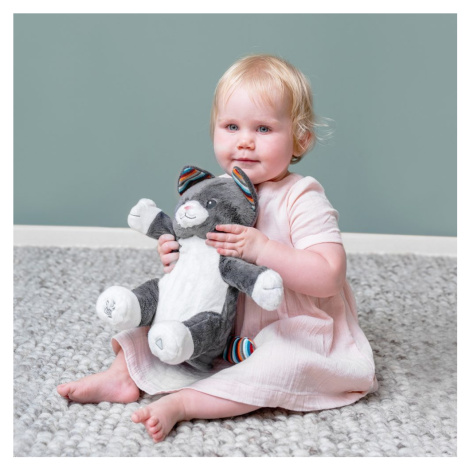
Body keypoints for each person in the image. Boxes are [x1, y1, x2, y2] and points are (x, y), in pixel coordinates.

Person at [57, 54, 378, 443]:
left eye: (263, 128)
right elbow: (197, 253)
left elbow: (328, 276)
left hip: (287, 325)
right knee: (156, 322)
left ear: (301, 138)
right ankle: (120, 376)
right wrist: (174, 256)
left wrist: (262, 249)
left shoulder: (301, 196)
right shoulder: (215, 192)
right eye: (231, 126)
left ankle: (186, 403)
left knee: (280, 364)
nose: (244, 140)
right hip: (218, 322)